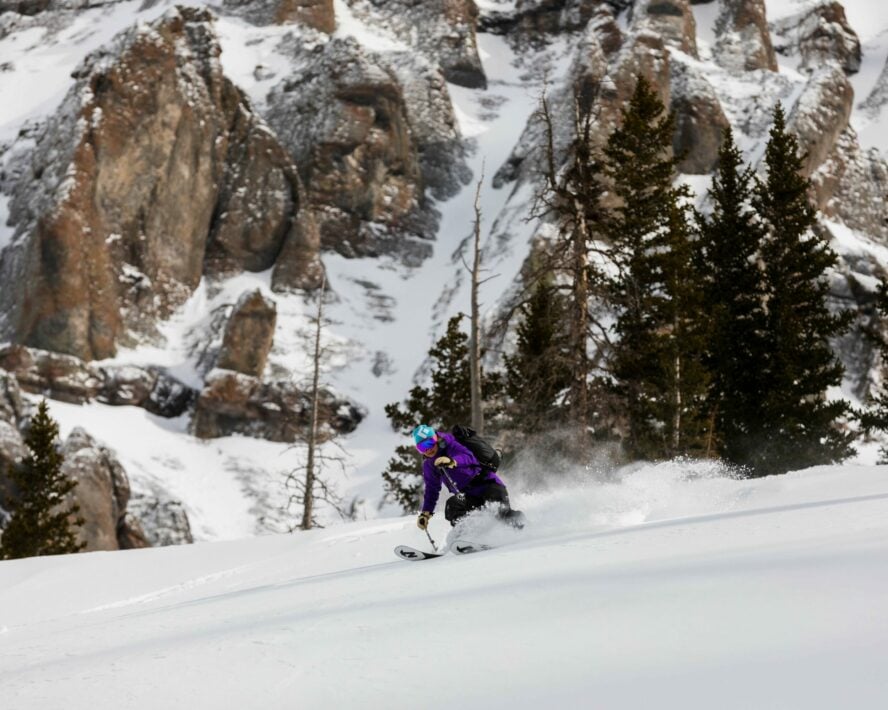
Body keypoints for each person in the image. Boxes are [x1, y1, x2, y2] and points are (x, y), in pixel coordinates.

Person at [412, 424, 524, 531]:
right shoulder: (429, 465)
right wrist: (425, 514)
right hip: (468, 495)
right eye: (422, 447)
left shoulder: (451, 444)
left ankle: (525, 528)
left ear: (436, 438)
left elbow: (469, 457)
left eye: (430, 443)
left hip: (487, 484)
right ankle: (467, 536)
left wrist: (453, 461)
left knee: (501, 513)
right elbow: (432, 490)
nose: (428, 449)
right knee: (453, 507)